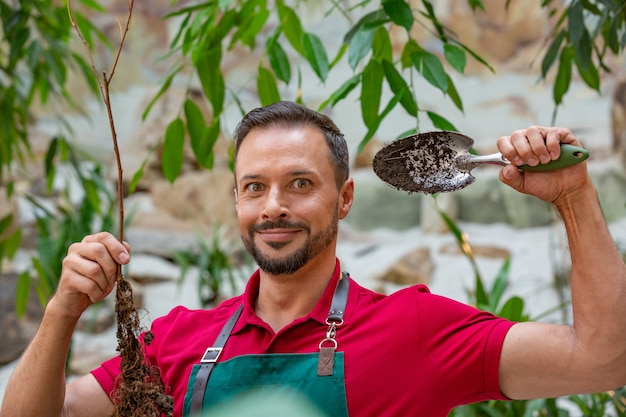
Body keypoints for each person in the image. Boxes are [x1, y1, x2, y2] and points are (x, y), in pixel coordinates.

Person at [2, 101, 626, 417]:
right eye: (255, 187)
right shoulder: (176, 341)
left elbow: (604, 359)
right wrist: (62, 309)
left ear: (344, 197)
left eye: (300, 184)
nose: (274, 206)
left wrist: (573, 198)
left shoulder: (415, 328)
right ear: (238, 202)